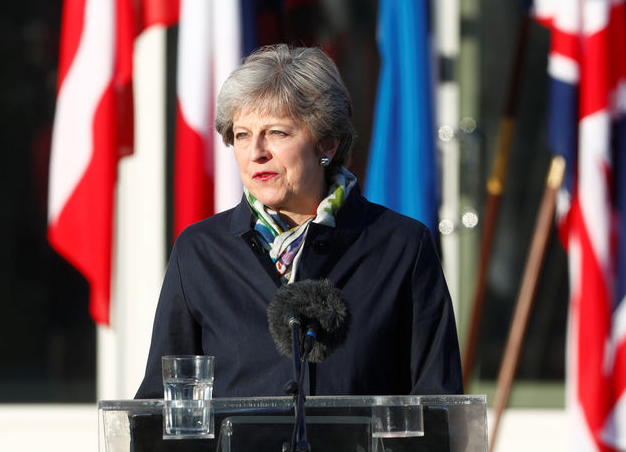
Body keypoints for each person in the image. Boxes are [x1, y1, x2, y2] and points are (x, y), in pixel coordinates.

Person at [136, 44, 463, 399]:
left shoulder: (402, 246)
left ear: (326, 144)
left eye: (277, 132)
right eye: (243, 135)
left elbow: (437, 405)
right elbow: (163, 404)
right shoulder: (199, 251)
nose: (256, 152)